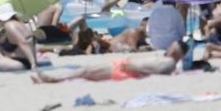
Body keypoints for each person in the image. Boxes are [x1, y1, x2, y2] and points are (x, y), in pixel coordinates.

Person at [32, 41, 187, 83]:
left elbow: (153, 72)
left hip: (126, 70)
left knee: (86, 71)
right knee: (87, 69)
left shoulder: (169, 62)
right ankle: (55, 78)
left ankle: (54, 79)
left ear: (176, 50)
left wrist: (131, 66)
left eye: (173, 45)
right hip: (125, 66)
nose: (170, 46)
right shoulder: (166, 58)